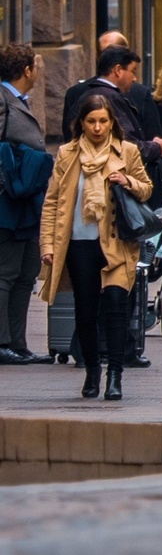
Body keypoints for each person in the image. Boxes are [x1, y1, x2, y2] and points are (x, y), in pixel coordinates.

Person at [38, 93, 152, 400]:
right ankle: (92, 370)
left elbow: (146, 189)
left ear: (112, 122)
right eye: (91, 121)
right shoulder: (67, 154)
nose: (98, 127)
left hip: (116, 246)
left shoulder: (126, 151)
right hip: (78, 245)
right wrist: (47, 244)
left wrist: (127, 181)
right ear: (81, 124)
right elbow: (52, 203)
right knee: (85, 315)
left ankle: (115, 375)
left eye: (103, 121)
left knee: (116, 310)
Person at [0, 44, 48, 365]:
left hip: (27, 201)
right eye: (36, 67)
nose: (38, 73)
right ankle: (3, 343)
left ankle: (19, 343)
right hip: (8, 203)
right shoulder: (2, 101)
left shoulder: (19, 101)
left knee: (27, 273)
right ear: (27, 70)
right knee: (6, 273)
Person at [63, 45, 162, 165]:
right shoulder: (109, 98)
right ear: (118, 70)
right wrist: (156, 147)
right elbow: (124, 146)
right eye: (132, 71)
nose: (134, 78)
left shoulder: (87, 94)